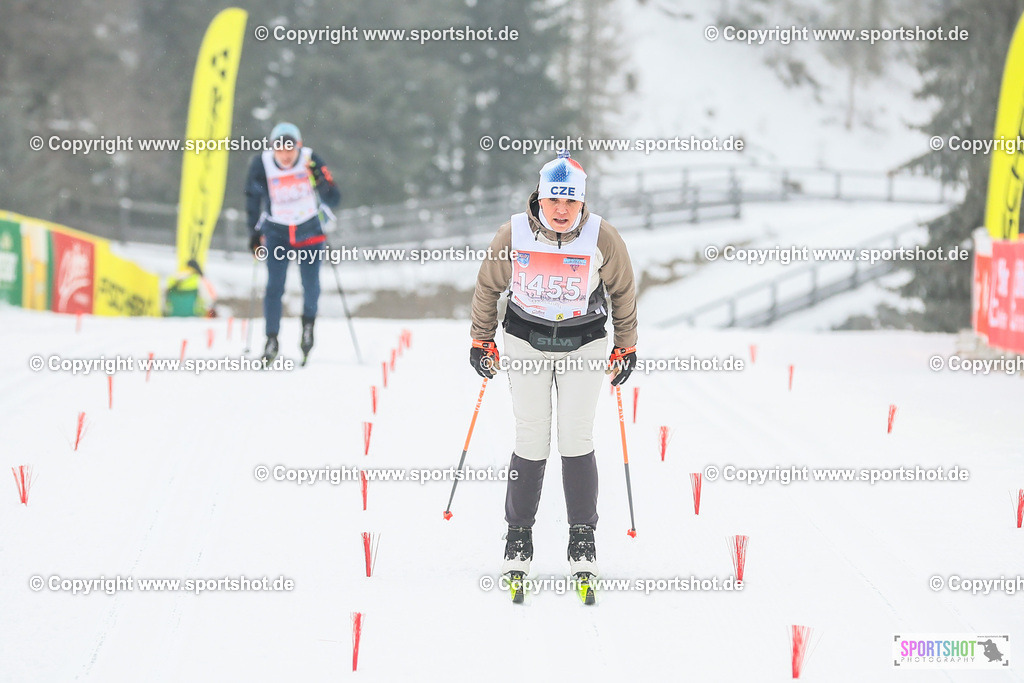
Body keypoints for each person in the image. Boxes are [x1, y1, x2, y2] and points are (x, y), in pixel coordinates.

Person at [469, 151, 638, 598]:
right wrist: (480, 339)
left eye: (570, 202)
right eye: (553, 201)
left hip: (584, 342)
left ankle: (582, 537)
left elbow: (622, 291)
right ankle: (518, 536)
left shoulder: (604, 237)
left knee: (576, 436)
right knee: (531, 436)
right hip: (526, 339)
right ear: (539, 198)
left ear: (582, 202)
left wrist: (626, 344)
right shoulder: (514, 233)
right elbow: (489, 287)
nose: (561, 211)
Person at [244, 122, 341, 363]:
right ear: (272, 148)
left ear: (299, 146)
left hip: (310, 232)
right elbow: (252, 198)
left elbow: (334, 197)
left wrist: (321, 181)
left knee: (311, 286)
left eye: (291, 149)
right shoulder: (261, 164)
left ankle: (308, 329)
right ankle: (271, 339)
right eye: (280, 149)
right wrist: (254, 233)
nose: (286, 156)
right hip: (277, 233)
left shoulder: (311, 160)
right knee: (274, 287)